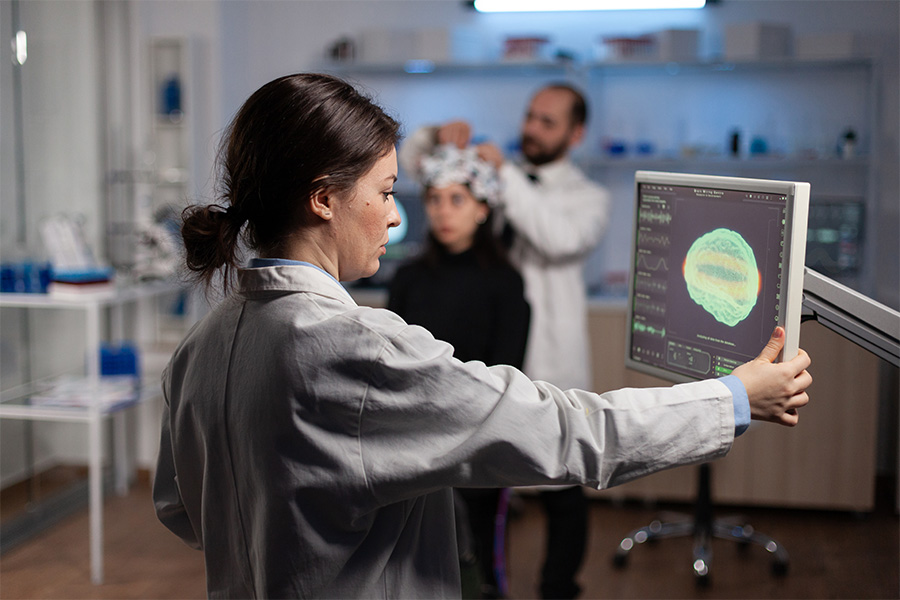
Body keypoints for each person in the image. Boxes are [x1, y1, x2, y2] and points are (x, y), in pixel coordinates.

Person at [153, 72, 813, 599]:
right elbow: (572, 433)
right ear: (323, 198)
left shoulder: (201, 345)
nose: (393, 215)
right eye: (386, 192)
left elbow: (179, 509)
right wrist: (732, 398)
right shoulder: (357, 350)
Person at [398, 83, 608, 598]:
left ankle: (558, 587)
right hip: (476, 354)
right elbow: (417, 158)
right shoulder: (489, 176)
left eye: (548, 122)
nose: (532, 129)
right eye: (530, 116)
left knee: (560, 482)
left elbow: (556, 238)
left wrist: (504, 175)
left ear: (575, 134)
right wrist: (437, 134)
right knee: (476, 498)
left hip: (544, 358)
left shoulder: (587, 197)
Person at [387, 144, 530, 598]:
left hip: (478, 437)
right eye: (434, 199)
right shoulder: (408, 277)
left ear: (483, 207)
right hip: (413, 438)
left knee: (479, 560)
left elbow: (506, 369)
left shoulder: (505, 282)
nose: (444, 211)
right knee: (413, 554)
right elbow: (394, 360)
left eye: (457, 199)